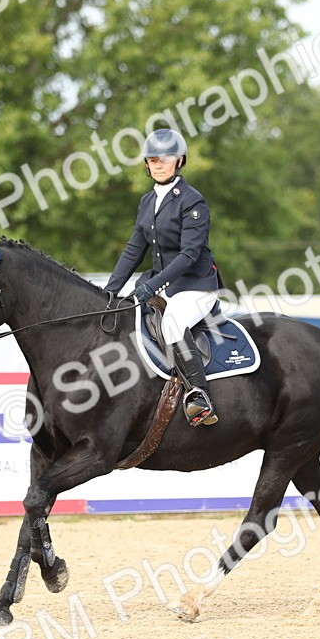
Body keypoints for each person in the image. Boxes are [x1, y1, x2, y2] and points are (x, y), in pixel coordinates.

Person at [104, 128, 223, 426]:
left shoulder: (193, 202)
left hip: (195, 286)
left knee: (172, 323)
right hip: (164, 285)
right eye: (152, 159)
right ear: (146, 164)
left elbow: (188, 256)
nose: (158, 164)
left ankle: (200, 396)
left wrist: (151, 286)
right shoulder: (147, 202)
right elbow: (133, 250)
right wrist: (109, 291)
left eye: (165, 159)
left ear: (179, 160)